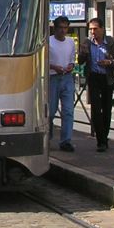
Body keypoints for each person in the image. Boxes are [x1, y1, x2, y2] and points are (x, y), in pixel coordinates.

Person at [77, 17, 114, 152]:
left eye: (95, 29)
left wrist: (110, 62)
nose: (93, 32)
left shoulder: (112, 42)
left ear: (102, 29)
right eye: (90, 29)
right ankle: (100, 141)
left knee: (106, 109)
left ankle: (104, 137)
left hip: (107, 78)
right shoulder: (87, 42)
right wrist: (83, 53)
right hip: (93, 77)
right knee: (96, 109)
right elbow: (80, 61)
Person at [48, 15, 76, 152]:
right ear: (55, 28)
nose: (63, 30)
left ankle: (66, 141)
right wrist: (53, 67)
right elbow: (42, 60)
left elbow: (72, 58)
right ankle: (47, 137)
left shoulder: (70, 42)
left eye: (65, 28)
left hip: (67, 77)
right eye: (60, 28)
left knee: (68, 111)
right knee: (51, 111)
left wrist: (71, 65)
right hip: (52, 78)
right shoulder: (48, 41)